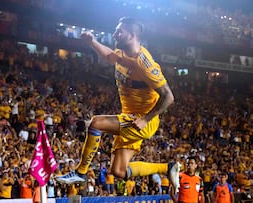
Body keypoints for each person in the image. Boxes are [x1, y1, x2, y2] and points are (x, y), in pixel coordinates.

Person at [57, 16, 180, 192]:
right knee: (119, 171)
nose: (114, 34)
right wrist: (92, 41)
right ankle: (167, 168)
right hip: (129, 116)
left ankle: (81, 173)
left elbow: (169, 96)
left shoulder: (144, 63)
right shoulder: (122, 52)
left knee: (96, 123)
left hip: (142, 120)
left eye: (119, 31)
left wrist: (146, 119)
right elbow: (109, 56)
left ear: (132, 36)